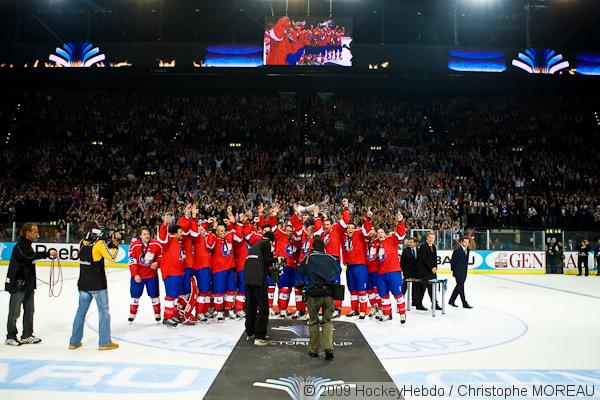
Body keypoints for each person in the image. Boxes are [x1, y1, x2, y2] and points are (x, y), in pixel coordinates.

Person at [69, 223, 121, 350]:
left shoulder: (82, 242)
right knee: (104, 313)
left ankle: (74, 341)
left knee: (80, 313)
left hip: (83, 284)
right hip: (98, 285)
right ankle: (104, 342)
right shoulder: (98, 244)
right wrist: (114, 244)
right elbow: (112, 257)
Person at [5, 223, 57, 346]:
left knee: (29, 311)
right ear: (27, 233)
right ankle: (11, 336)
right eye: (34, 231)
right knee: (15, 312)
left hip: (28, 284)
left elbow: (31, 258)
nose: (37, 233)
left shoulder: (28, 246)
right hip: (18, 284)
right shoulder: (19, 247)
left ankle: (27, 335)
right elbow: (29, 257)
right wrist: (47, 253)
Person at [297, 237, 340, 360]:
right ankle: (328, 348)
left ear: (313, 247)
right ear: (323, 247)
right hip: (328, 294)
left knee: (314, 322)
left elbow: (300, 270)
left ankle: (313, 350)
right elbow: (337, 270)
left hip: (314, 294)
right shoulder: (331, 258)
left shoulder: (309, 258)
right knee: (327, 321)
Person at [243, 231, 275, 346]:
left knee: (250, 306)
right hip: (258, 280)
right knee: (263, 307)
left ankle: (250, 332)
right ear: (271, 240)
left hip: (248, 279)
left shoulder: (254, 246)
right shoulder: (266, 244)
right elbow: (267, 261)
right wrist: (275, 260)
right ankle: (260, 336)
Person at [128, 226, 162, 323]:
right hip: (139, 275)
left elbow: (161, 256)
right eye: (144, 234)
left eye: (148, 233)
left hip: (152, 276)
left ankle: (157, 313)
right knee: (135, 295)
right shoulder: (134, 245)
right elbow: (132, 261)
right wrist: (135, 274)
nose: (147, 236)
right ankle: (132, 313)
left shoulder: (156, 244)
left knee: (154, 295)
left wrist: (157, 263)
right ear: (140, 235)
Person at [416, 233, 442, 311]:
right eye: (430, 238)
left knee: (432, 288)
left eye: (433, 238)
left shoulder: (433, 246)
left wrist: (435, 267)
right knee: (422, 288)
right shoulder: (423, 246)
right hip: (424, 272)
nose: (431, 239)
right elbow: (424, 259)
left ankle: (434, 304)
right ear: (427, 238)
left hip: (432, 272)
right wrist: (431, 268)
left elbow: (434, 259)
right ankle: (418, 304)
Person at [449, 236, 472, 309]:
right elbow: (452, 262)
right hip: (458, 272)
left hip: (464, 271)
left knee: (459, 286)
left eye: (467, 242)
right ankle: (464, 303)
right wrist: (454, 272)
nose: (466, 244)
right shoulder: (457, 250)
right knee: (461, 287)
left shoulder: (468, 250)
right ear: (461, 242)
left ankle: (451, 300)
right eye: (465, 242)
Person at [399, 237, 420, 308]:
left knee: (415, 287)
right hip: (407, 272)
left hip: (417, 272)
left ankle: (414, 301)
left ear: (415, 243)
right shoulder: (405, 250)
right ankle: (401, 300)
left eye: (411, 242)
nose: (409, 243)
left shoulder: (419, 250)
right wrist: (402, 270)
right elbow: (402, 262)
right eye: (408, 242)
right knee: (404, 286)